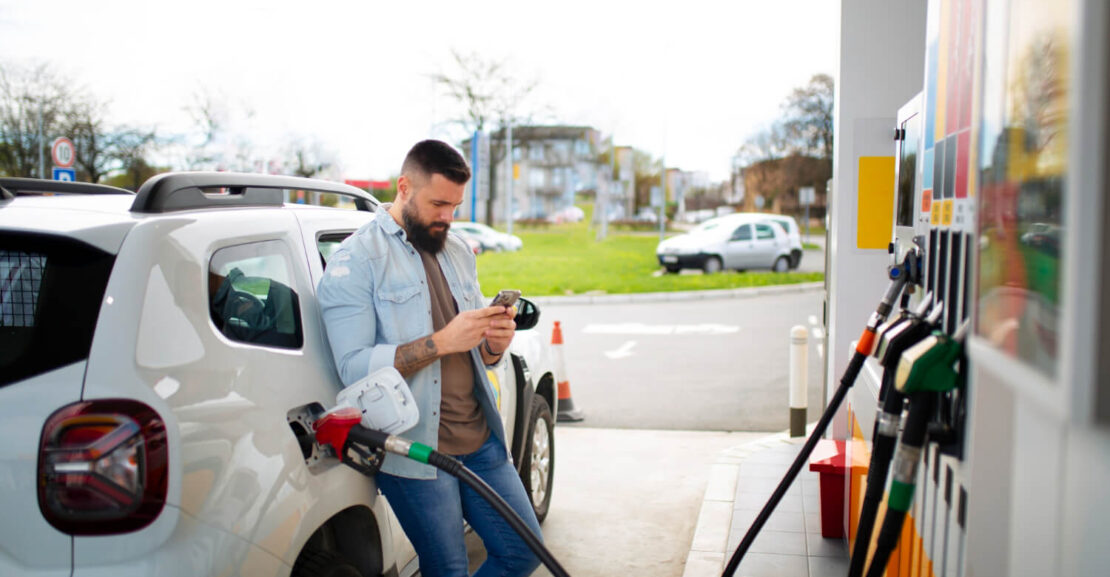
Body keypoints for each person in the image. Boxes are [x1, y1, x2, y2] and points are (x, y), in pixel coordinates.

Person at [317, 139, 542, 577]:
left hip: (481, 440)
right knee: (448, 570)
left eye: (455, 206)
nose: (447, 217)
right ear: (404, 186)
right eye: (438, 203)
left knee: (523, 551)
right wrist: (440, 342)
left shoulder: (457, 249)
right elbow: (352, 368)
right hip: (417, 452)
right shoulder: (357, 259)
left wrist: (493, 342)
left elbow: (478, 351)